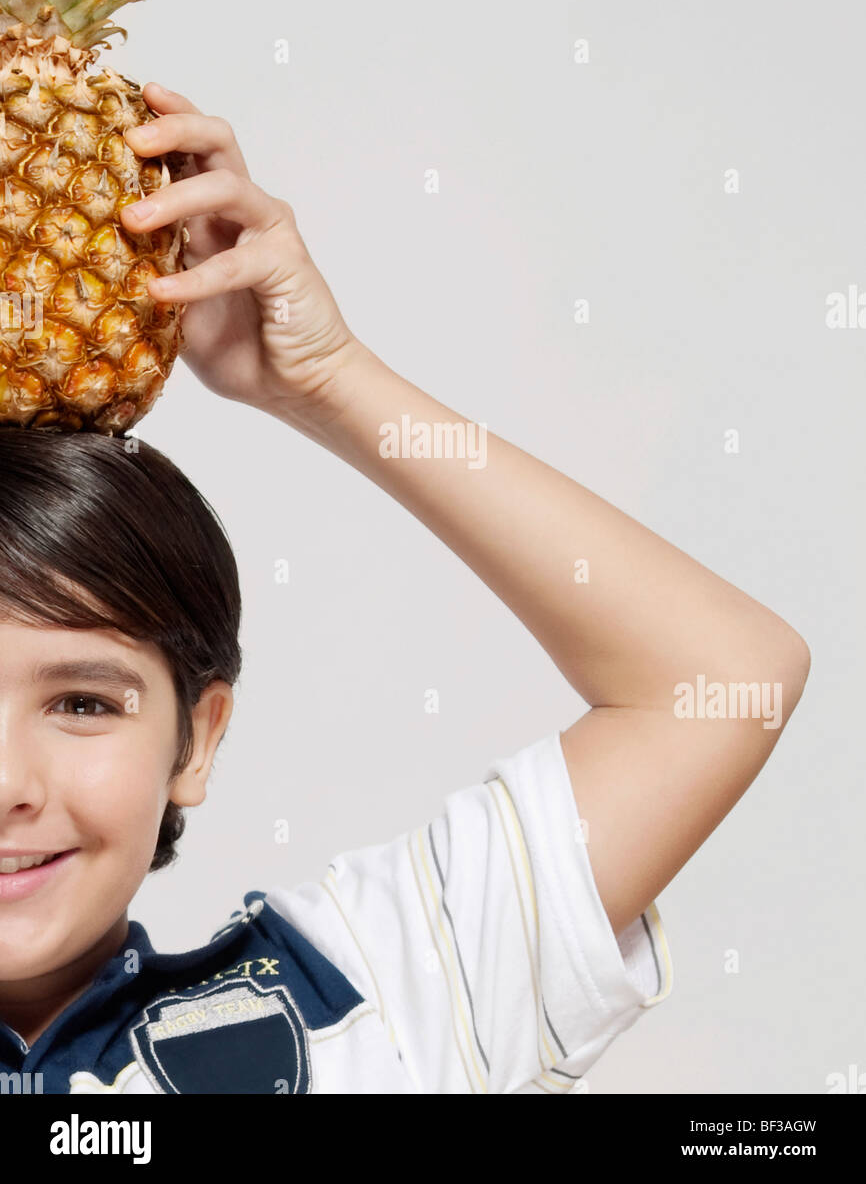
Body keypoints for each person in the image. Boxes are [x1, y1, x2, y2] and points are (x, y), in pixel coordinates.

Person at [0, 84, 810, 1094]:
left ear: (196, 739)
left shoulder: (362, 1005)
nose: (8, 783)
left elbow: (722, 680)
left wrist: (324, 380)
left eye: (83, 702)